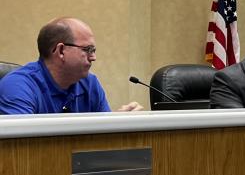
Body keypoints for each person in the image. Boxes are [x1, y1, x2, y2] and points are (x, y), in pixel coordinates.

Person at [0, 17, 142, 114]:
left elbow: (102, 146)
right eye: (87, 50)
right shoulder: (18, 86)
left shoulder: (90, 84)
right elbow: (23, 149)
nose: (93, 57)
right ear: (61, 51)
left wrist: (118, 125)